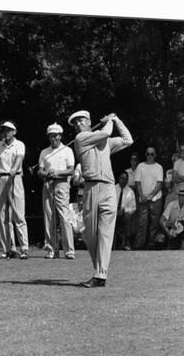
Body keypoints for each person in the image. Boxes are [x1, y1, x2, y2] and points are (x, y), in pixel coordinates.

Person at [70, 109, 133, 288]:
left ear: (89, 122)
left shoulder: (105, 142)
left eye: (81, 121)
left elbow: (128, 140)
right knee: (89, 234)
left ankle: (100, 275)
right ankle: (98, 269)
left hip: (108, 188)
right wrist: (110, 120)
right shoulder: (81, 139)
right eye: (75, 123)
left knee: (106, 233)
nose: (78, 125)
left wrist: (117, 119)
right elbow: (105, 132)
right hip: (91, 188)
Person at [0, 120, 29, 259]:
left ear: (14, 132)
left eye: (9, 130)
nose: (6, 132)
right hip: (0, 179)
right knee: (1, 215)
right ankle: (5, 249)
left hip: (15, 178)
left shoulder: (19, 144)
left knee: (18, 214)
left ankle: (24, 248)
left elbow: (19, 158)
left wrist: (14, 169)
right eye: (4, 130)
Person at [38, 123, 75, 259]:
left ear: (60, 136)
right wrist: (46, 174)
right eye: (51, 136)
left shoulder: (67, 150)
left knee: (64, 217)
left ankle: (69, 251)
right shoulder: (44, 152)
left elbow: (71, 170)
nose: (53, 138)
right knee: (49, 217)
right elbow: (40, 171)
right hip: (47, 184)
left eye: (55, 135)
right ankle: (52, 249)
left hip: (62, 184)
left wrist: (57, 173)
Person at [134, 147, 164, 249]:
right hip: (143, 199)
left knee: (154, 223)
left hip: (155, 199)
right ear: (145, 154)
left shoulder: (159, 167)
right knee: (142, 223)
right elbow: (138, 183)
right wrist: (142, 196)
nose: (150, 156)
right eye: (148, 154)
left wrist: (150, 196)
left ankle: (152, 244)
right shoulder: (140, 166)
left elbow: (159, 184)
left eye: (152, 154)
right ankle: (139, 245)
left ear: (155, 155)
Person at [159, 184, 184, 249]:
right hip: (169, 226)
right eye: (181, 196)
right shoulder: (171, 204)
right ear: (178, 196)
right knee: (161, 239)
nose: (183, 198)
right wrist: (168, 231)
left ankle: (181, 245)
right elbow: (161, 220)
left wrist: (179, 219)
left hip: (179, 227)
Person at [114, 172, 136, 250]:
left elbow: (133, 207)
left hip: (123, 215)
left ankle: (126, 242)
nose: (124, 181)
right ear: (118, 179)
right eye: (122, 178)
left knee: (128, 217)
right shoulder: (113, 189)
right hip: (113, 214)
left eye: (126, 179)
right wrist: (115, 211)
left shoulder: (130, 191)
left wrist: (124, 210)